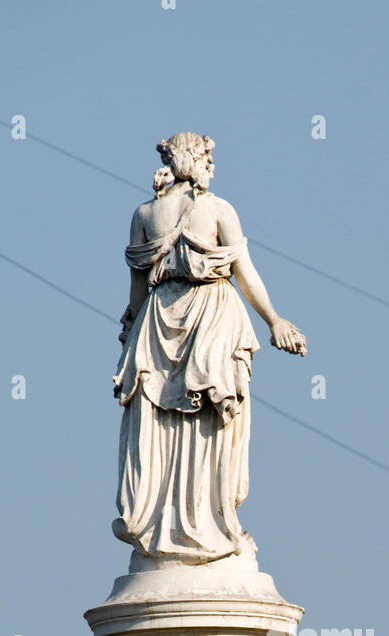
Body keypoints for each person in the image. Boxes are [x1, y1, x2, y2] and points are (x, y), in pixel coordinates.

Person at [113, 131, 306, 561]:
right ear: (194, 161)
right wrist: (274, 320)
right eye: (208, 160)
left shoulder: (144, 214)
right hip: (212, 313)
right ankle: (212, 525)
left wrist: (130, 333)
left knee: (160, 430)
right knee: (212, 424)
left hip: (158, 321)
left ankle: (166, 525)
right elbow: (245, 272)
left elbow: (137, 293)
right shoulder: (219, 210)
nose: (212, 169)